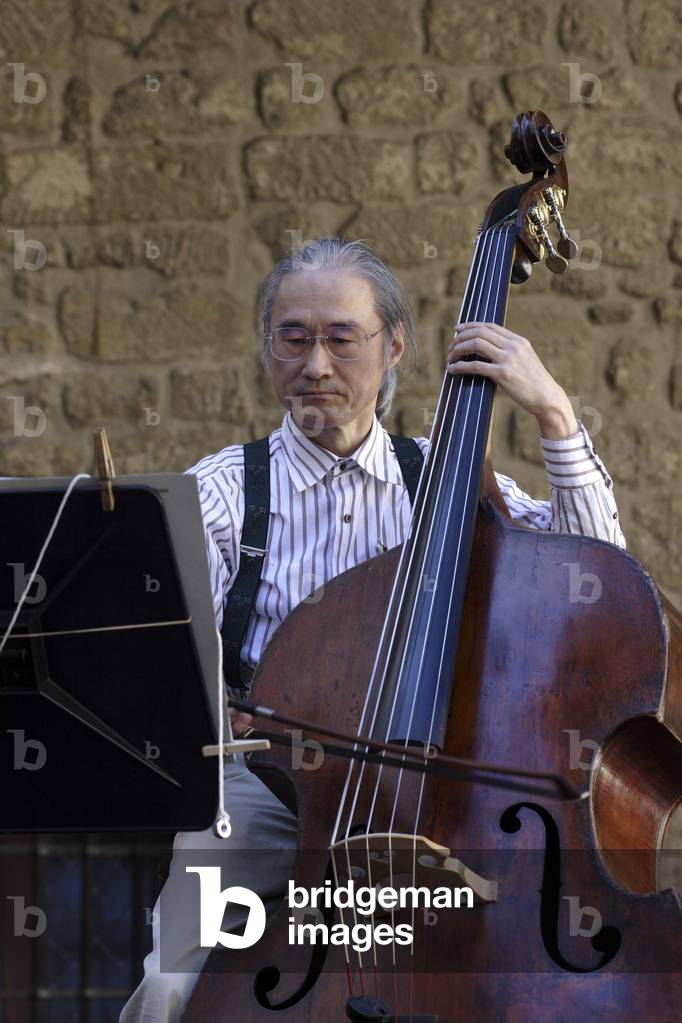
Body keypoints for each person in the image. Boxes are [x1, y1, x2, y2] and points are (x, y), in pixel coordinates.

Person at [119, 237, 625, 1022]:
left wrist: (554, 413)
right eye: (294, 338)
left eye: (341, 338)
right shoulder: (222, 492)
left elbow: (598, 576)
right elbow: (163, 656)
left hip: (436, 796)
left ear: (393, 348)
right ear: (269, 348)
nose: (315, 364)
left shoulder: (447, 481)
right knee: (170, 990)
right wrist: (212, 712)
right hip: (268, 793)